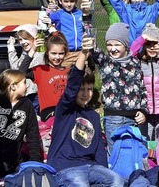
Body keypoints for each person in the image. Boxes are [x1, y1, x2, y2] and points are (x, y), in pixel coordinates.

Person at [47, 35, 125, 186]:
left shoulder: (94, 116)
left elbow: (99, 150)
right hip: (66, 166)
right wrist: (83, 53)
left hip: (91, 167)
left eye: (89, 89)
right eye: (81, 89)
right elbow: (73, 84)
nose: (85, 94)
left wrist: (103, 170)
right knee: (80, 183)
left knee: (116, 180)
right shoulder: (65, 109)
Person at [0, 69, 42, 180]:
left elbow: (33, 135)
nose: (27, 86)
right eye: (24, 82)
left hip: (8, 159)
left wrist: (35, 163)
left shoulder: (27, 105)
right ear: (13, 86)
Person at [90, 23, 148, 153]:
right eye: (109, 45)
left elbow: (142, 89)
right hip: (113, 119)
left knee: (133, 153)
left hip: (134, 119)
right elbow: (91, 44)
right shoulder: (105, 61)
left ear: (126, 45)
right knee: (115, 154)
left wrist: (144, 111)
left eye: (117, 44)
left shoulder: (135, 63)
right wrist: (87, 16)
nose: (113, 49)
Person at [21, 32, 70, 121]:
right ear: (47, 52)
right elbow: (21, 73)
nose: (57, 57)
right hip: (49, 113)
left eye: (61, 53)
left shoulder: (69, 71)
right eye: (54, 53)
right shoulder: (41, 70)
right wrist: (32, 50)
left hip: (67, 111)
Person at [47, 0, 93, 67]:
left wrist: (86, 14)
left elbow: (88, 26)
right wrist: (48, 11)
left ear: (76, 1)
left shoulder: (80, 13)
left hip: (80, 51)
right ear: (60, 1)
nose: (69, 4)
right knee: (66, 76)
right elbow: (45, 20)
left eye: (71, 1)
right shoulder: (59, 14)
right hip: (66, 53)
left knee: (83, 75)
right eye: (66, 1)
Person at [7, 24, 44, 114]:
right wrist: (11, 48)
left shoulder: (40, 53)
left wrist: (33, 50)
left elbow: (22, 72)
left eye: (26, 38)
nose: (23, 42)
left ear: (34, 38)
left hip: (35, 94)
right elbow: (16, 70)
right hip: (24, 94)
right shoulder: (25, 54)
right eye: (20, 39)